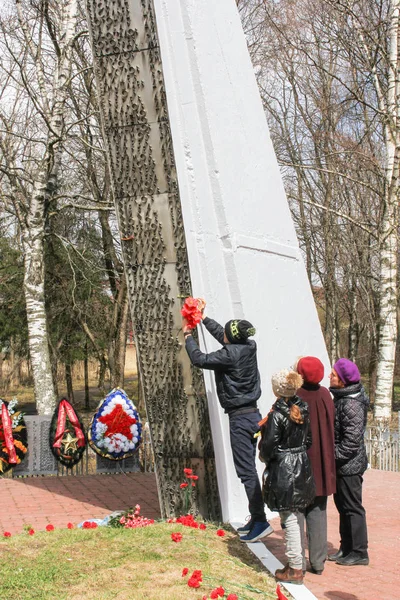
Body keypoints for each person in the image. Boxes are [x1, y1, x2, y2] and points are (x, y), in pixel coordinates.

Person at [183, 301, 273, 543]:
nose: (222, 334)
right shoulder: (248, 346)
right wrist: (203, 318)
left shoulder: (229, 355)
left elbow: (200, 359)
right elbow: (224, 335)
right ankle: (256, 518)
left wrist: (188, 336)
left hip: (240, 419)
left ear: (231, 339)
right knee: (249, 470)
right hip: (252, 415)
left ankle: (261, 521)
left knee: (246, 471)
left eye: (226, 333)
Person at [259, 369, 315, 585]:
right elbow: (308, 441)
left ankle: (295, 567)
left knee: (289, 518)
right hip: (300, 464)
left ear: (277, 389)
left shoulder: (277, 415)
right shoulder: (303, 408)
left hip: (285, 468)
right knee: (293, 515)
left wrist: (264, 453)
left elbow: (269, 447)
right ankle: (294, 563)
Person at [295, 356, 336, 575]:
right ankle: (318, 561)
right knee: (318, 511)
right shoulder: (325, 395)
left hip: (301, 463)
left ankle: (298, 561)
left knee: (298, 511)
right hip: (323, 462)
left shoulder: (296, 397)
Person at [328, 358, 369, 566]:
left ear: (343, 381)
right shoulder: (343, 398)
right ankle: (346, 547)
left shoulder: (351, 403)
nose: (330, 376)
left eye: (333, 375)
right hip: (342, 464)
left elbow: (351, 441)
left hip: (349, 465)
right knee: (343, 506)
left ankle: (360, 551)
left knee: (352, 507)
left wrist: (331, 456)